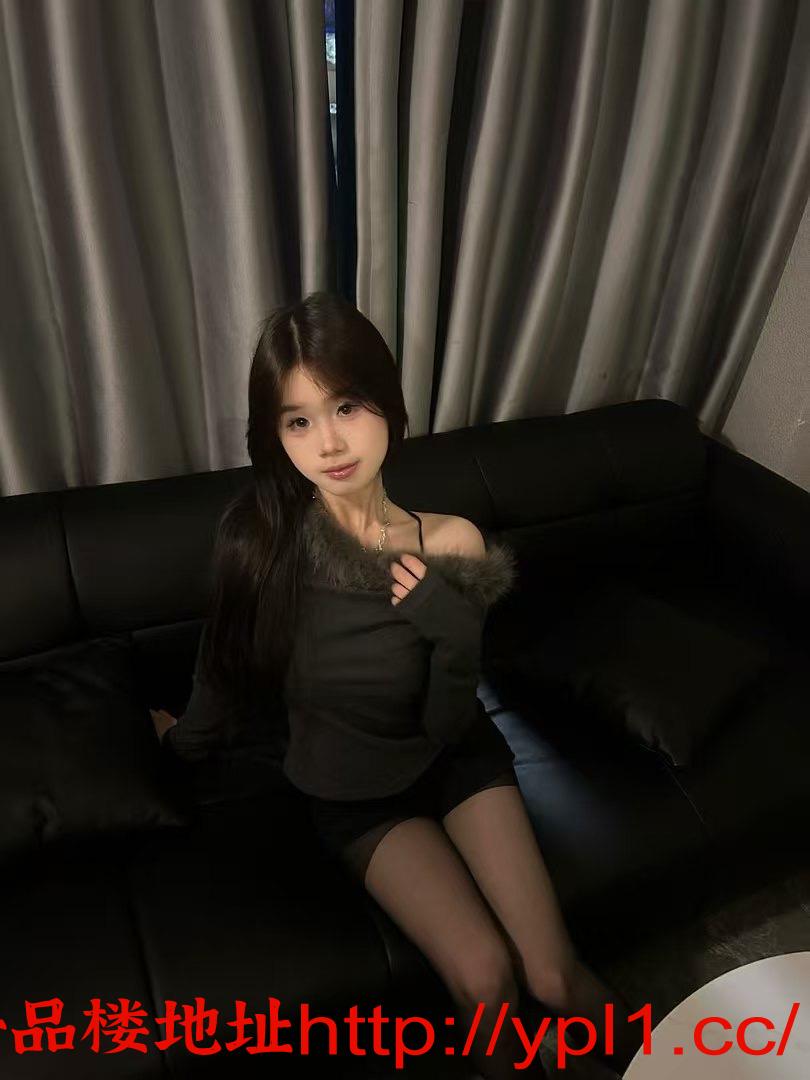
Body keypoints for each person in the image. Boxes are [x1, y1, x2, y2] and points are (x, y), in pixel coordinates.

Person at [157, 291, 644, 1079]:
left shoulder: (451, 542)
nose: (329, 442)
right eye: (298, 421)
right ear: (275, 435)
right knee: (486, 976)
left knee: (554, 976)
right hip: (354, 796)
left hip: (456, 757)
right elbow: (221, 671)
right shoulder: (262, 545)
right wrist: (178, 745)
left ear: (389, 405)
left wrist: (449, 625)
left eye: (347, 406)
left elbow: (451, 715)